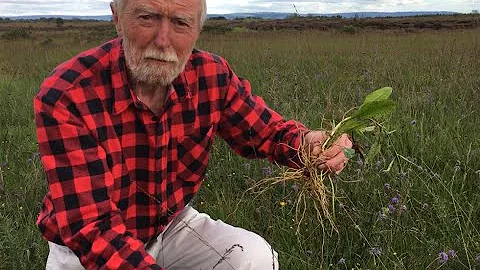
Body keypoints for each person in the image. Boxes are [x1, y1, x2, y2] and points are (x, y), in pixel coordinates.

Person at [34, 0, 353, 269]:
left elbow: (266, 132)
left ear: (198, 28)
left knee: (254, 258)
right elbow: (91, 228)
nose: (163, 40)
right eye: (147, 17)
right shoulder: (69, 94)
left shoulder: (211, 76)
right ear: (117, 17)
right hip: (83, 254)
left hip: (168, 227)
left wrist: (307, 144)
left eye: (180, 23)